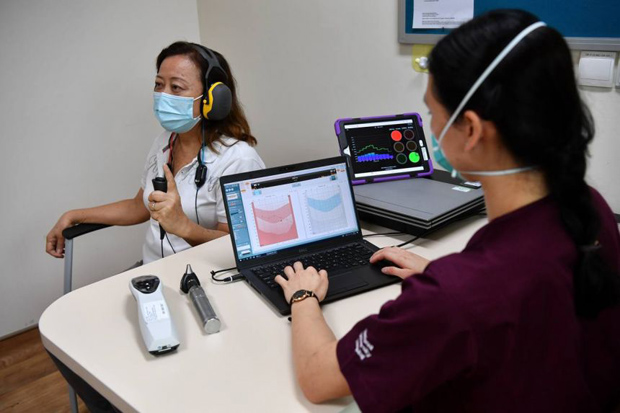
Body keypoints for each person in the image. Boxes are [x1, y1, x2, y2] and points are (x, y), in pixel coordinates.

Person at [274, 9, 620, 412]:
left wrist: (301, 297)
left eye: (433, 112)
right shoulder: (588, 207)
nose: (430, 127)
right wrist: (441, 277)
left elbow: (319, 378)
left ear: (471, 129)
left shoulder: (458, 298)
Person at [46, 41, 265, 264]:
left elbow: (237, 246)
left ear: (212, 98)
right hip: (152, 269)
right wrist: (74, 215)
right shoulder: (165, 142)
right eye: (159, 85)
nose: (163, 95)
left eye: (176, 87)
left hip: (205, 277)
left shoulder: (238, 159)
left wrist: (184, 227)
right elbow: (138, 207)